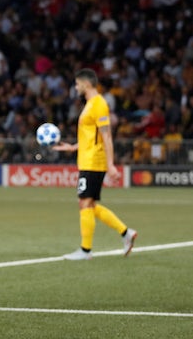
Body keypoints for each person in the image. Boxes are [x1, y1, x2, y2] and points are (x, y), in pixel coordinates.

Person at [53, 68, 137, 260]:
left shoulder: (99, 104)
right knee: (88, 203)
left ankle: (85, 250)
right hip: (87, 158)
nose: (75, 87)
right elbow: (92, 136)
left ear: (86, 83)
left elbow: (106, 136)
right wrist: (74, 147)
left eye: (77, 83)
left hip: (94, 161)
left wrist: (111, 165)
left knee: (84, 202)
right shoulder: (90, 104)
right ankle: (126, 233)